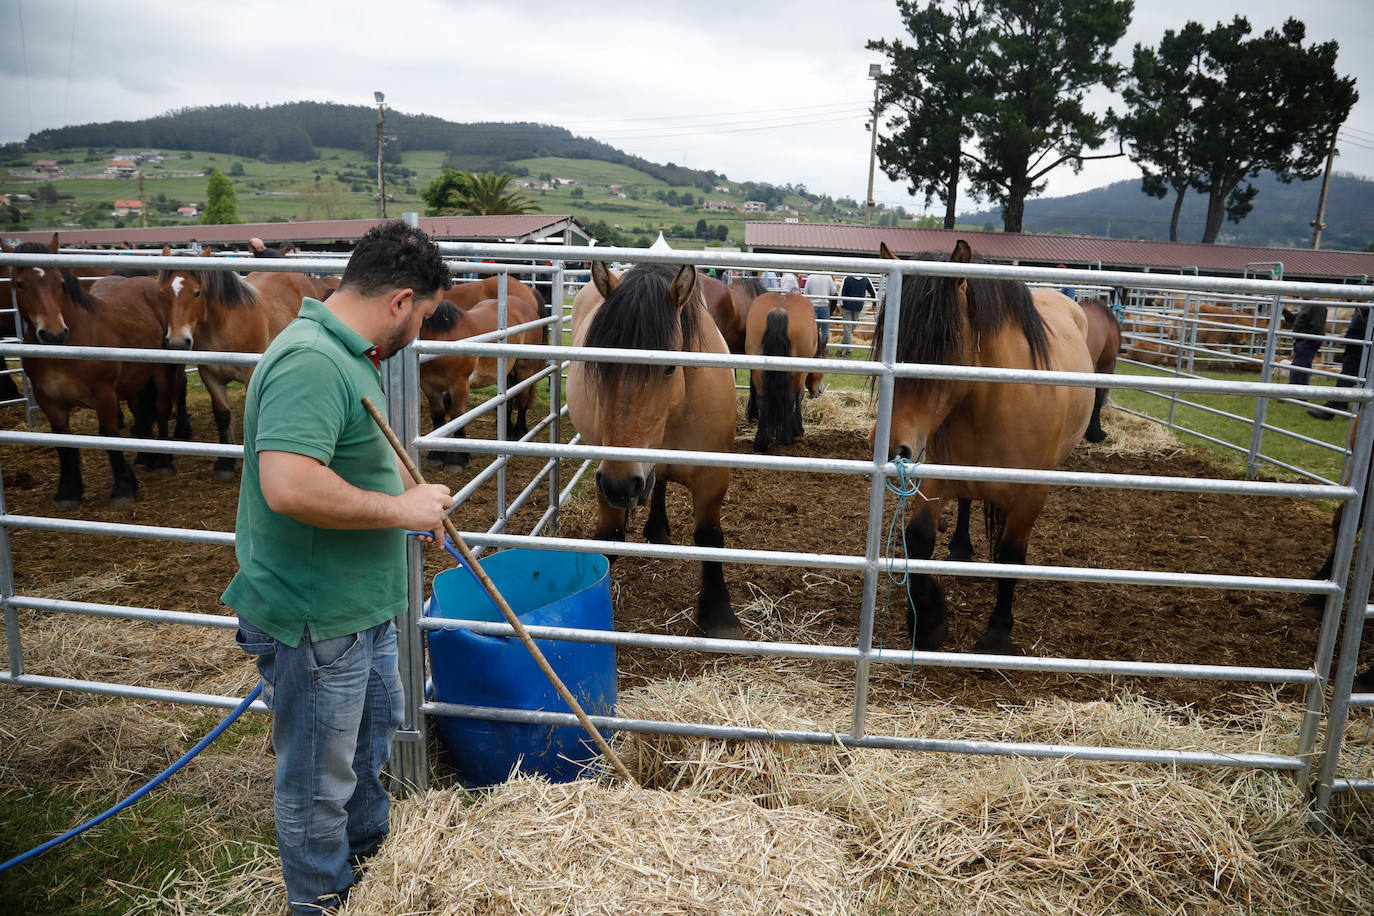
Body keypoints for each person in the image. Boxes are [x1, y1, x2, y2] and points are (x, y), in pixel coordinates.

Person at [223, 221, 454, 914]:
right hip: (317, 617)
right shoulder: (312, 362)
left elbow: (338, 468)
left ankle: (368, 872)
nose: (422, 327)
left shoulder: (350, 354)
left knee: (362, 757)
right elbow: (289, 485)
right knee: (316, 784)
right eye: (425, 313)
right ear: (400, 301)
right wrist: (397, 511)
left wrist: (404, 507)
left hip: (357, 610)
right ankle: (319, 901)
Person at [1312, 307, 1369, 418]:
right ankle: (1348, 406)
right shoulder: (1363, 309)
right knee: (1360, 381)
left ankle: (1328, 411)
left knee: (1345, 381)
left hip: (1357, 352)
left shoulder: (1367, 310)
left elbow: (1361, 331)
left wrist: (1348, 336)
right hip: (1358, 351)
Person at [1285, 300, 1328, 386]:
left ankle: (1294, 393)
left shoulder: (1316, 305)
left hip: (1307, 342)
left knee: (1298, 368)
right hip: (1304, 341)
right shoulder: (1308, 305)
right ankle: (1301, 394)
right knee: (1303, 368)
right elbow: (1294, 319)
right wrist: (1284, 311)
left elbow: (1317, 327)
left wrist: (1306, 341)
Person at [838, 274, 876, 356]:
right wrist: (874, 303)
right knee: (850, 330)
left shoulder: (847, 279)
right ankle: (840, 350)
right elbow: (873, 293)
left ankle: (848, 351)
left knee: (848, 330)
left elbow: (841, 292)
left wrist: (841, 304)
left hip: (846, 306)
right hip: (858, 307)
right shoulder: (866, 279)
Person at [803, 271, 837, 354]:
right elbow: (833, 292)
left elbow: (806, 293)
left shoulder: (810, 277)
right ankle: (824, 348)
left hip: (813, 305)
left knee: (814, 328)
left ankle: (814, 347)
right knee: (825, 328)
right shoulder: (828, 276)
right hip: (824, 305)